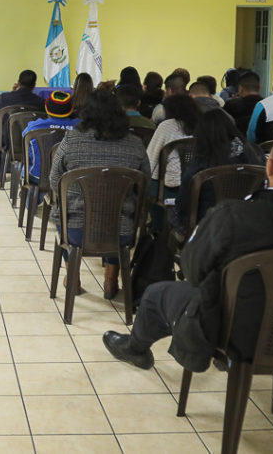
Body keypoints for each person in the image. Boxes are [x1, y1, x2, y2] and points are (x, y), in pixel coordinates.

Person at [103, 125, 273, 372]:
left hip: (235, 333)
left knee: (156, 293)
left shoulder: (233, 217)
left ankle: (135, 349)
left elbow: (193, 271)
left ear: (270, 166)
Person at [49, 90, 151, 298]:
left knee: (63, 215)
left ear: (86, 113)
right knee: (119, 215)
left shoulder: (72, 140)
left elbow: (54, 180)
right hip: (121, 231)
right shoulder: (135, 144)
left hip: (76, 230)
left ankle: (73, 278)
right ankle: (110, 281)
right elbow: (145, 185)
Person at [173, 109, 264, 237]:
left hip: (207, 228)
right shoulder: (254, 153)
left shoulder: (201, 163)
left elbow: (184, 202)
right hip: (248, 225)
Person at [0, 69, 43, 180]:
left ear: (18, 83)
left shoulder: (5, 97)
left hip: (7, 139)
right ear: (34, 85)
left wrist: (13, 92)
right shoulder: (39, 101)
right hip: (31, 140)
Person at [146, 94, 199, 199]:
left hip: (168, 186)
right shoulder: (203, 125)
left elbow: (151, 158)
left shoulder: (167, 125)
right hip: (197, 183)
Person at [22, 90, 80, 183]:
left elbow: (25, 142)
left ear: (46, 108)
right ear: (71, 109)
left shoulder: (34, 127)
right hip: (69, 179)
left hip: (38, 176)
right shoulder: (80, 126)